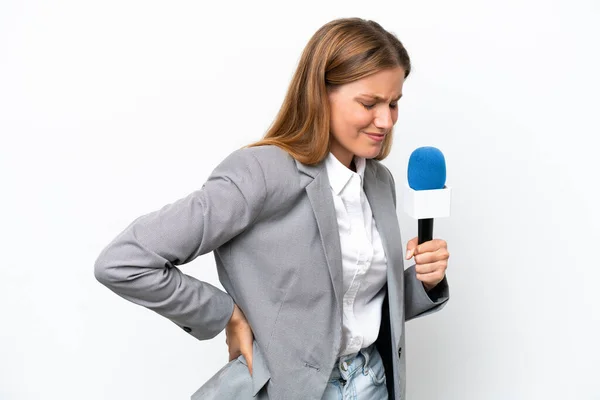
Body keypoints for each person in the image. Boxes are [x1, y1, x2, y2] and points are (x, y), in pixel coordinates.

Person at [94, 17, 450, 400]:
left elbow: (355, 309)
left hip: (372, 383)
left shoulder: (379, 183)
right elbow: (123, 262)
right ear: (319, 93)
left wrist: (424, 281)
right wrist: (225, 314)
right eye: (369, 103)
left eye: (394, 103)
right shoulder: (261, 173)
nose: (386, 120)